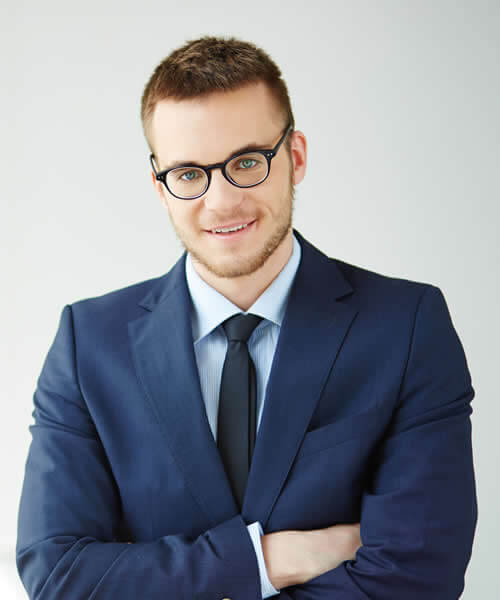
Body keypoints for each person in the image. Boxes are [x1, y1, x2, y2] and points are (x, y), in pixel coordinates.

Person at [16, 35, 477, 600]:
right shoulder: (88, 344)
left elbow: (419, 576)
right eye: (189, 174)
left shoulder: (407, 327)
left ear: (296, 157)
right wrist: (266, 559)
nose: (221, 201)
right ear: (160, 187)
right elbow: (59, 577)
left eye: (247, 162)